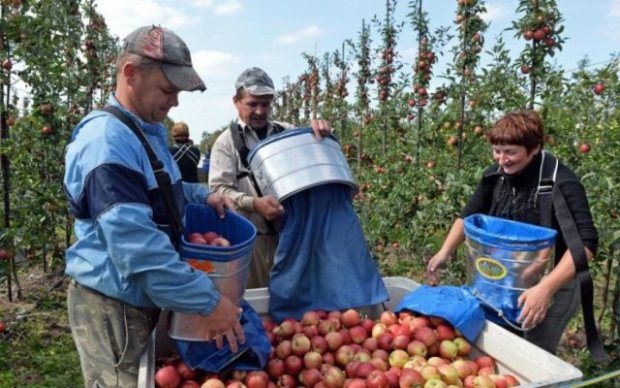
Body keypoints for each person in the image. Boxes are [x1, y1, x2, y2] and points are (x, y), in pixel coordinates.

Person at [63, 25, 245, 388]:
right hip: (114, 306)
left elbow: (162, 188)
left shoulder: (145, 131)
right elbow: (138, 250)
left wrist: (202, 195)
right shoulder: (107, 142)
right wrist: (209, 302)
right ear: (130, 73)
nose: (175, 101)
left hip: (143, 298)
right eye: (168, 89)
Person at [426, 111, 598, 354]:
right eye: (497, 150)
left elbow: (586, 244)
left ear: (535, 147)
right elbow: (468, 214)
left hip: (555, 282)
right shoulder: (495, 176)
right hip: (505, 278)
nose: (502, 159)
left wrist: (545, 289)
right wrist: (444, 252)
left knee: (531, 354)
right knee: (497, 346)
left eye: (510, 152)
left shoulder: (561, 182)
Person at [208, 67, 332, 289]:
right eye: (252, 104)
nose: (259, 111)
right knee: (256, 298)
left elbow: (316, 160)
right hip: (252, 240)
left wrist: (320, 133)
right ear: (236, 101)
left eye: (265, 104)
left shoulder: (287, 133)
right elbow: (219, 191)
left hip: (291, 236)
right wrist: (254, 203)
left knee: (294, 301)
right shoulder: (226, 143)